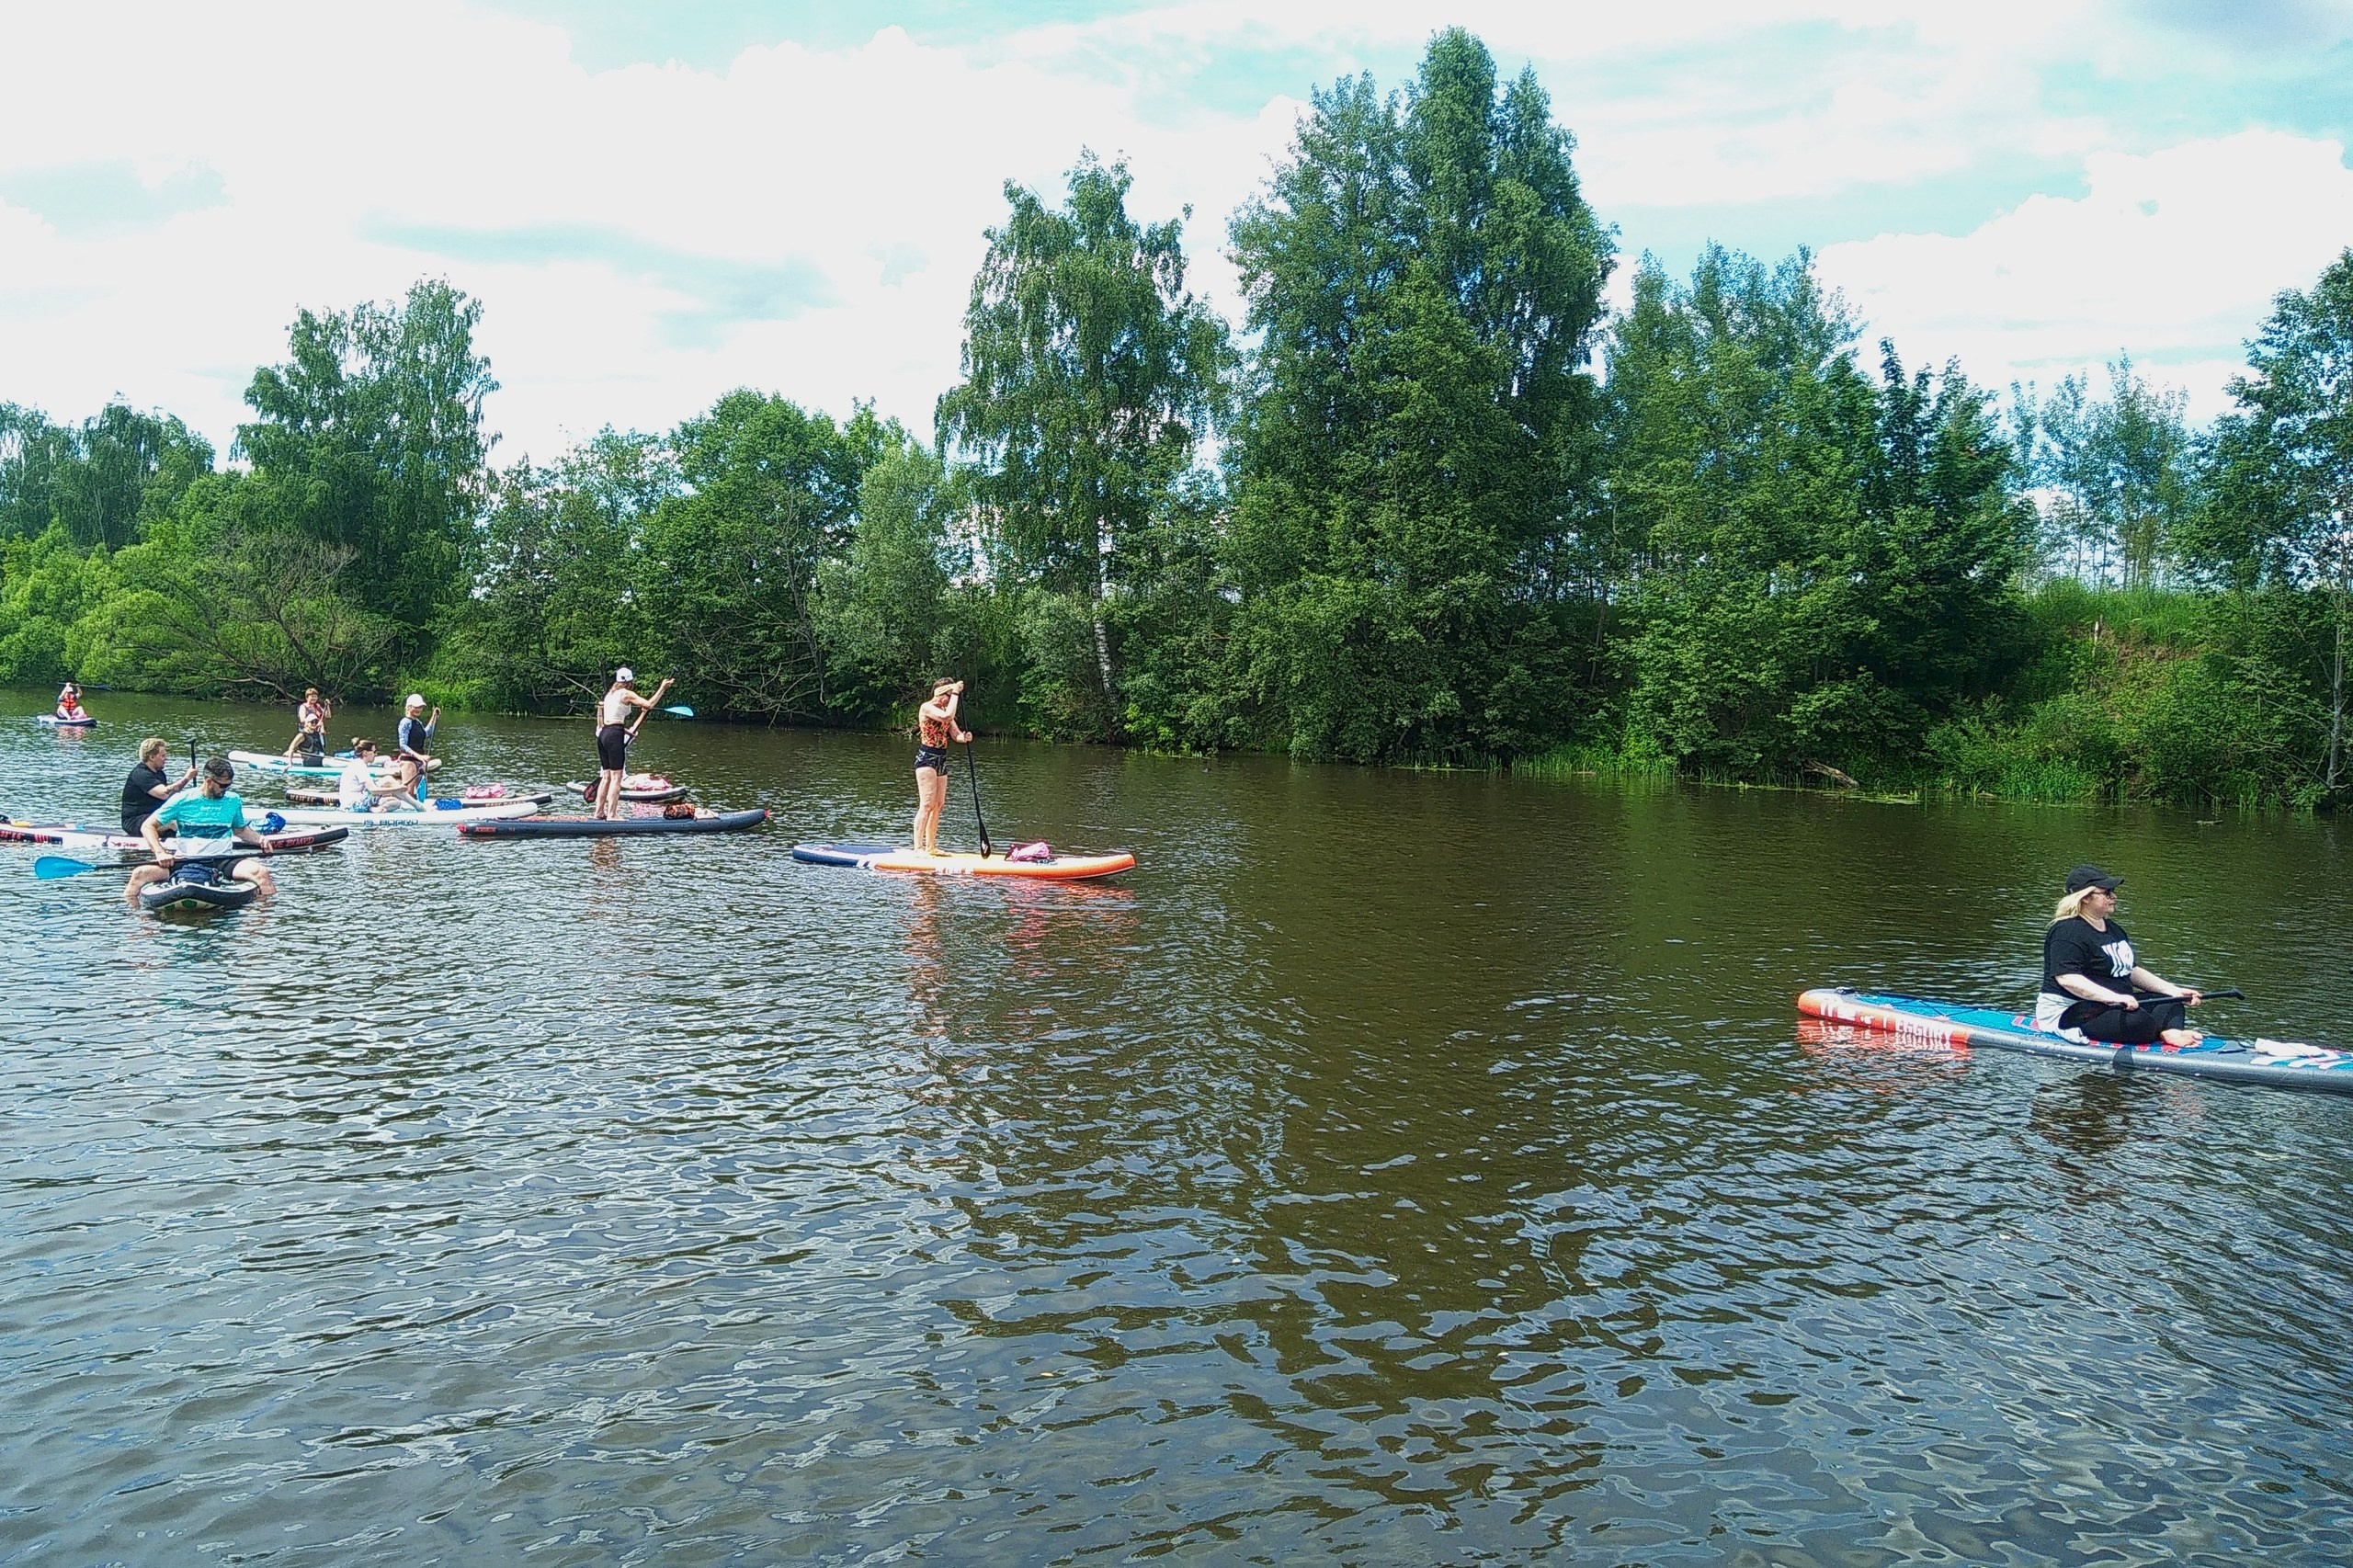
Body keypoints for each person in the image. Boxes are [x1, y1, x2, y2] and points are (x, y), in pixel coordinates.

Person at [2036, 864, 2202, 1048]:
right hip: (2074, 1010)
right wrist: (2113, 998)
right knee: (2137, 1022)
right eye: (2107, 893)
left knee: (2172, 1003)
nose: (2114, 897)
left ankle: (2170, 1032)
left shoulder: (2114, 929)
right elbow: (2068, 978)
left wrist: (2173, 991)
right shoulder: (2066, 931)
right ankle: (2160, 1031)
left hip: (2114, 1004)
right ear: (2085, 898)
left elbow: (2129, 970)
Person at [125, 755, 277, 906]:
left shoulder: (233, 800)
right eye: (223, 786)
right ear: (209, 781)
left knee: (261, 873)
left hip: (222, 860)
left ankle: (263, 920)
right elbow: (147, 826)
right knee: (139, 874)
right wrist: (160, 852)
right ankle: (135, 918)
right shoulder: (182, 799)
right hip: (185, 860)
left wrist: (260, 839)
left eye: (229, 785)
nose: (226, 790)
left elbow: (240, 830)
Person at [593, 667, 671, 820]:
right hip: (614, 735)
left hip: (604, 735)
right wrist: (662, 687)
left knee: (606, 776)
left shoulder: (610, 694)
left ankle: (598, 812)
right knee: (616, 777)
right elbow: (649, 704)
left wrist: (628, 731)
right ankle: (612, 814)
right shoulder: (626, 693)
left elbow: (612, 719)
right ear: (629, 682)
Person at [911, 676, 971, 856]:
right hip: (926, 758)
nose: (948, 700)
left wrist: (964, 738)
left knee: (938, 804)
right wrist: (955, 692)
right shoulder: (927, 707)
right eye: (947, 696)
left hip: (941, 759)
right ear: (940, 694)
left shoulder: (946, 710)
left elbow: (956, 734)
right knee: (927, 804)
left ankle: (931, 846)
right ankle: (918, 848)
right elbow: (947, 716)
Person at [120, 737, 196, 835]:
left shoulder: (160, 774)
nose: (166, 758)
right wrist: (187, 778)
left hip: (154, 815)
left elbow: (170, 795)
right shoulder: (141, 774)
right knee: (174, 823)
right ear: (152, 757)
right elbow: (163, 793)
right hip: (135, 821)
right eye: (163, 756)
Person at [337, 739, 415, 812]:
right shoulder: (359, 766)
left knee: (396, 802)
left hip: (352, 804)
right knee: (388, 780)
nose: (376, 754)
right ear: (365, 753)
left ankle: (375, 809)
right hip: (353, 805)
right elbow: (373, 790)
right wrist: (397, 788)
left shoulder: (358, 763)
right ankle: (418, 807)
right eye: (374, 752)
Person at [395, 694, 439, 799]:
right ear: (409, 707)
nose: (418, 709)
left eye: (420, 707)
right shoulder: (405, 722)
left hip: (420, 762)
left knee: (421, 791)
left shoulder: (417, 722)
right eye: (416, 707)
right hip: (408, 761)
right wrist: (419, 756)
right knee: (409, 792)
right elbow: (402, 745)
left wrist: (434, 716)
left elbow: (426, 733)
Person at [283, 687, 332, 764]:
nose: (314, 698)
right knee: (308, 748)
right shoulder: (303, 707)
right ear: (307, 697)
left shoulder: (318, 706)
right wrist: (315, 723)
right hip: (307, 732)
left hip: (317, 733)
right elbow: (303, 720)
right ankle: (294, 754)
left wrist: (327, 706)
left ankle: (316, 758)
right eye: (312, 696)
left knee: (319, 748)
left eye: (315, 696)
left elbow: (328, 716)